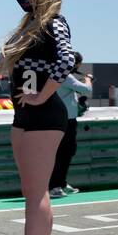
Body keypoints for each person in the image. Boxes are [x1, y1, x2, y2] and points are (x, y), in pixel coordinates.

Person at [0, 0, 74, 235]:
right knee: (31, 191)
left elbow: (66, 60)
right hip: (24, 114)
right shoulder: (29, 26)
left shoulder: (55, 22)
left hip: (44, 114)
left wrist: (42, 95)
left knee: (36, 193)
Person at [50, 51, 93, 197]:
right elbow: (87, 89)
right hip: (64, 120)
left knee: (66, 152)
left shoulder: (57, 72)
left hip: (62, 119)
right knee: (63, 153)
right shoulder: (65, 75)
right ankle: (55, 186)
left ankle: (60, 183)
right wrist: (88, 79)